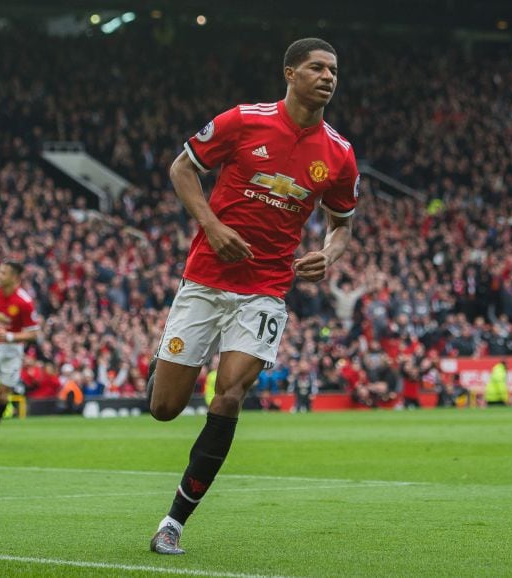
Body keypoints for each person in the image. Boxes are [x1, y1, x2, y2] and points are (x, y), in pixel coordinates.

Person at [147, 37, 359, 555]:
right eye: (316, 67)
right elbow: (182, 168)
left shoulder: (339, 153)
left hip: (264, 291)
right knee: (165, 408)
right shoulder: (244, 120)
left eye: (334, 70)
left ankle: (173, 522)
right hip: (204, 279)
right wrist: (212, 225)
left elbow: (343, 224)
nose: (328, 76)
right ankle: (167, 366)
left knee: (231, 394)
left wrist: (329, 256)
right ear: (290, 73)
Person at [0, 262, 40, 430]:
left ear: (15, 278)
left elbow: (33, 333)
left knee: (2, 396)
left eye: (4, 273)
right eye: (0, 272)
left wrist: (9, 336)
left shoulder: (24, 301)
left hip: (12, 350)